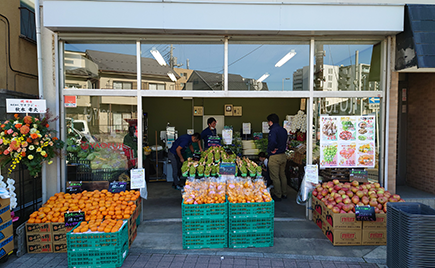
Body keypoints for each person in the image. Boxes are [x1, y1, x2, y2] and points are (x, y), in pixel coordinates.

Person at [267, 113, 288, 201]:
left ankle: (277, 195)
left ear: (270, 122)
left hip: (275, 156)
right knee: (282, 175)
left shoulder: (273, 130)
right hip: (283, 155)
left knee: (275, 177)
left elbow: (272, 141)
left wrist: (272, 149)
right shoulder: (283, 130)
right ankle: (284, 193)